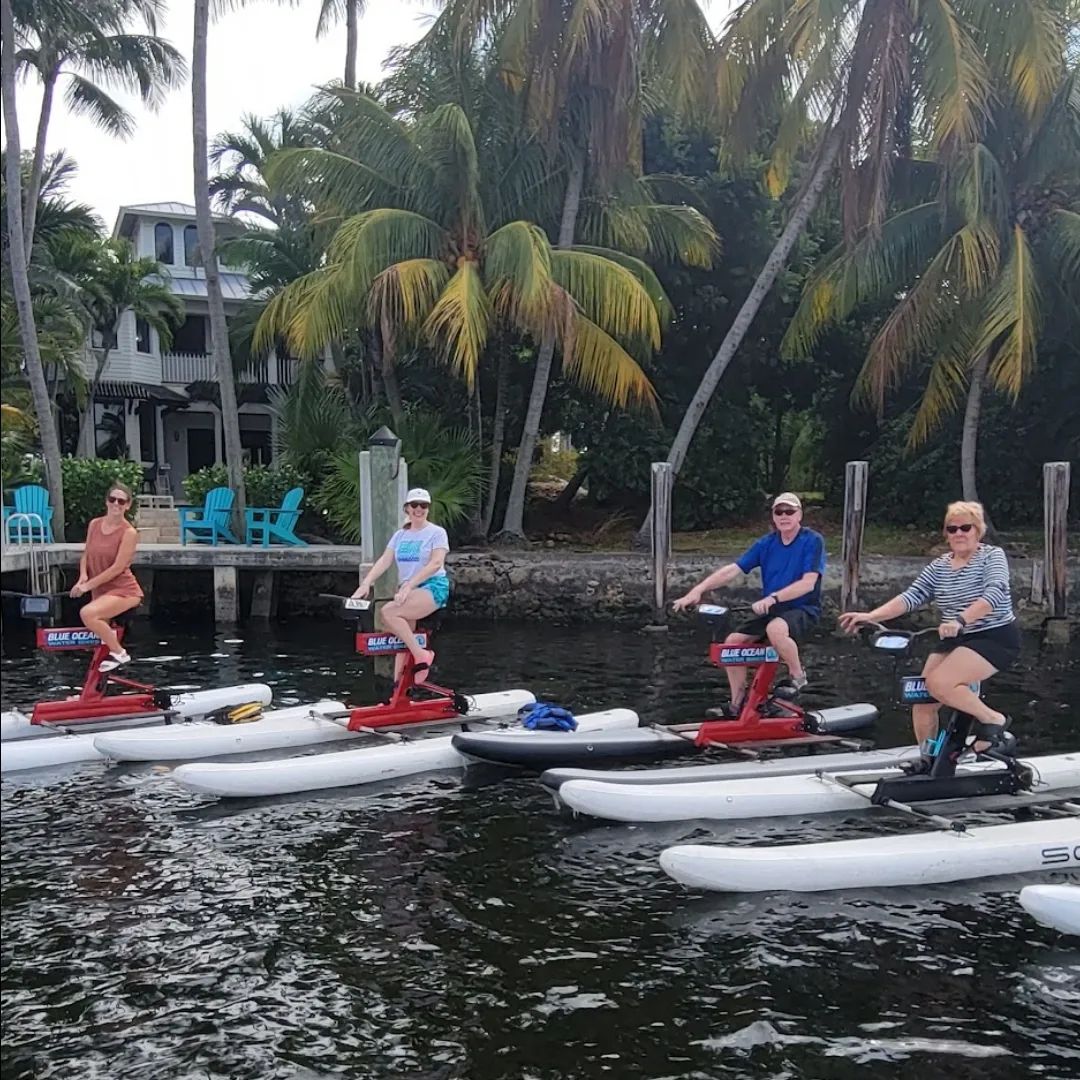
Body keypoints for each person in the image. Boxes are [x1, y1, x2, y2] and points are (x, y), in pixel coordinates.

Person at [839, 500, 1019, 756]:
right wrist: (870, 616)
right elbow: (912, 596)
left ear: (978, 530)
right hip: (955, 637)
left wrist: (960, 620)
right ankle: (928, 758)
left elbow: (995, 593)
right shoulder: (939, 566)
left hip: (993, 636)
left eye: (965, 528)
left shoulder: (992, 556)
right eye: (952, 529)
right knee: (922, 698)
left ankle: (994, 721)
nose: (958, 534)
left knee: (941, 683)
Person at [672, 493, 826, 714]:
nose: (784, 516)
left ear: (800, 514)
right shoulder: (766, 544)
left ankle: (797, 677)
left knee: (775, 629)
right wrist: (697, 591)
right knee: (732, 643)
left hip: (803, 609)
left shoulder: (813, 541)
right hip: (773, 610)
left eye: (789, 511)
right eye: (778, 512)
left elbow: (808, 584)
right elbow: (732, 570)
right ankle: (739, 704)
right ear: (773, 516)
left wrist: (773, 598)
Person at [352, 488, 450, 685]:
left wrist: (408, 586)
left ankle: (422, 655)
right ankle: (398, 692)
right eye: (414, 505)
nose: (419, 509)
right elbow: (384, 561)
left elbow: (435, 563)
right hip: (408, 590)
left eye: (424, 506)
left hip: (433, 586)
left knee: (388, 612)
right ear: (407, 508)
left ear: (428, 509)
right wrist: (365, 584)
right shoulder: (400, 535)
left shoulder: (437, 533)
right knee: (403, 640)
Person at [70, 482, 143, 671]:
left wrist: (87, 587)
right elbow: (87, 553)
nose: (116, 504)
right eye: (113, 499)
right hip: (100, 590)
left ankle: (120, 653)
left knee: (87, 613)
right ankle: (94, 693)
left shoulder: (129, 532)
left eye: (121, 501)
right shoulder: (95, 524)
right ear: (106, 502)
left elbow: (117, 568)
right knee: (100, 642)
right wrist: (83, 577)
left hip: (124, 591)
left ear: (128, 505)